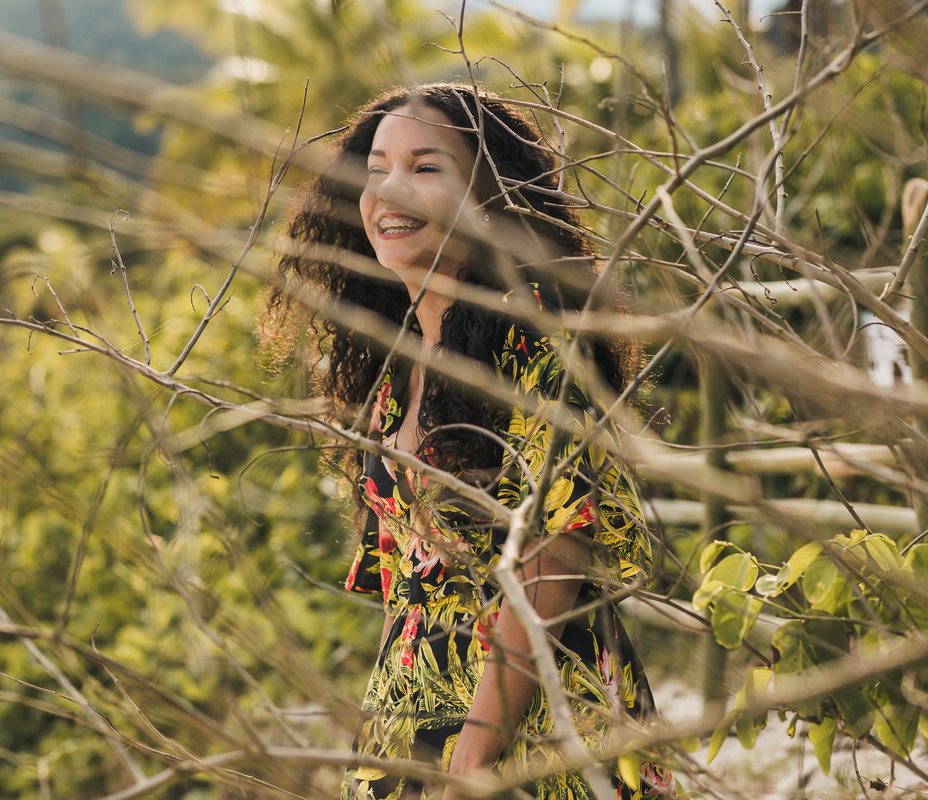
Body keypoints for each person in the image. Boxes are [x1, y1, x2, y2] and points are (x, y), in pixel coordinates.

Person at [264, 83, 676, 800]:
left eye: (426, 168)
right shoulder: (399, 369)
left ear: (490, 199)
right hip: (411, 718)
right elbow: (411, 593)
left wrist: (476, 755)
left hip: (534, 723)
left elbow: (552, 566)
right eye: (377, 170)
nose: (392, 190)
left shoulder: (534, 350)